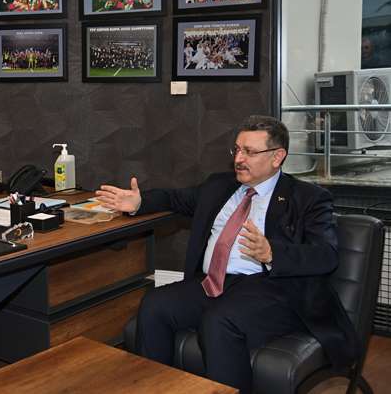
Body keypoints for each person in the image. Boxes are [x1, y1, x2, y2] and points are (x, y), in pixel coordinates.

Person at [95, 115, 358, 394]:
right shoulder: (219, 186)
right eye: (237, 149)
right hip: (215, 282)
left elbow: (326, 254)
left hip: (272, 288)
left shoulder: (308, 197)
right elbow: (175, 198)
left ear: (277, 157)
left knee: (219, 322)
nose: (239, 159)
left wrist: (272, 253)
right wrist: (139, 202)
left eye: (250, 152)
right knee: (155, 304)